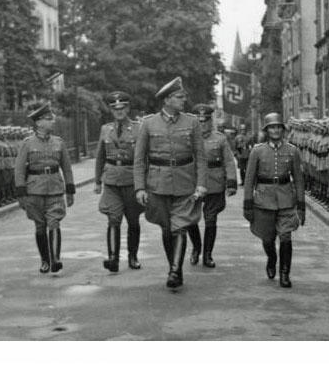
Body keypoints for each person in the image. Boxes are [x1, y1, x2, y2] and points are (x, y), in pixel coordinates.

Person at [133, 77, 208, 289]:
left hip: (185, 182)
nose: (184, 100)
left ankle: (175, 271)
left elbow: (200, 156)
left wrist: (201, 184)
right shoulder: (148, 123)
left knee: (180, 227)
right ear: (167, 100)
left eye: (183, 96)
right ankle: (174, 267)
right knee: (167, 229)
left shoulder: (191, 122)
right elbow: (139, 159)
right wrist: (139, 187)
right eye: (179, 97)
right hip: (157, 184)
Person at [243, 113, 305, 288]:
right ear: (267, 130)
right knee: (267, 238)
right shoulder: (257, 151)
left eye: (278, 127)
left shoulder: (292, 151)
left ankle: (284, 273)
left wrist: (301, 206)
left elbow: (299, 180)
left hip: (286, 199)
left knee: (286, 236)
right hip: (263, 200)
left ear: (283, 130)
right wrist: (247, 204)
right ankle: (272, 258)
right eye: (272, 127)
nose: (275, 130)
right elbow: (249, 179)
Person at [14, 103, 76, 274]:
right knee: (40, 226)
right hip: (34, 190)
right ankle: (45, 260)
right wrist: (21, 193)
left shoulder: (59, 142)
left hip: (55, 188)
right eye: (49, 119)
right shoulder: (27, 143)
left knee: (54, 222)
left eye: (52, 119)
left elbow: (67, 167)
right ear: (39, 123)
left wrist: (70, 190)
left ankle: (55, 259)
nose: (53, 122)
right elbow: (19, 170)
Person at [94, 91, 144, 272]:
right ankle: (113, 258)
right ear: (111, 110)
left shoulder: (139, 128)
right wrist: (97, 180)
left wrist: (143, 184)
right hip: (112, 180)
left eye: (122, 108)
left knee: (133, 220)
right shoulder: (105, 129)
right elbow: (100, 156)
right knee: (113, 218)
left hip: (132, 179)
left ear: (128, 108)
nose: (119, 112)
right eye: (115, 109)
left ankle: (132, 256)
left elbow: (143, 157)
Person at [190, 104, 238, 267]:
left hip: (214, 182)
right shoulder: (187, 138)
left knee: (210, 219)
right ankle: (196, 248)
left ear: (211, 121)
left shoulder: (220, 138)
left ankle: (208, 254)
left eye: (205, 121)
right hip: (193, 183)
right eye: (199, 121)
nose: (202, 124)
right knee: (190, 219)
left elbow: (229, 161)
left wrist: (231, 182)